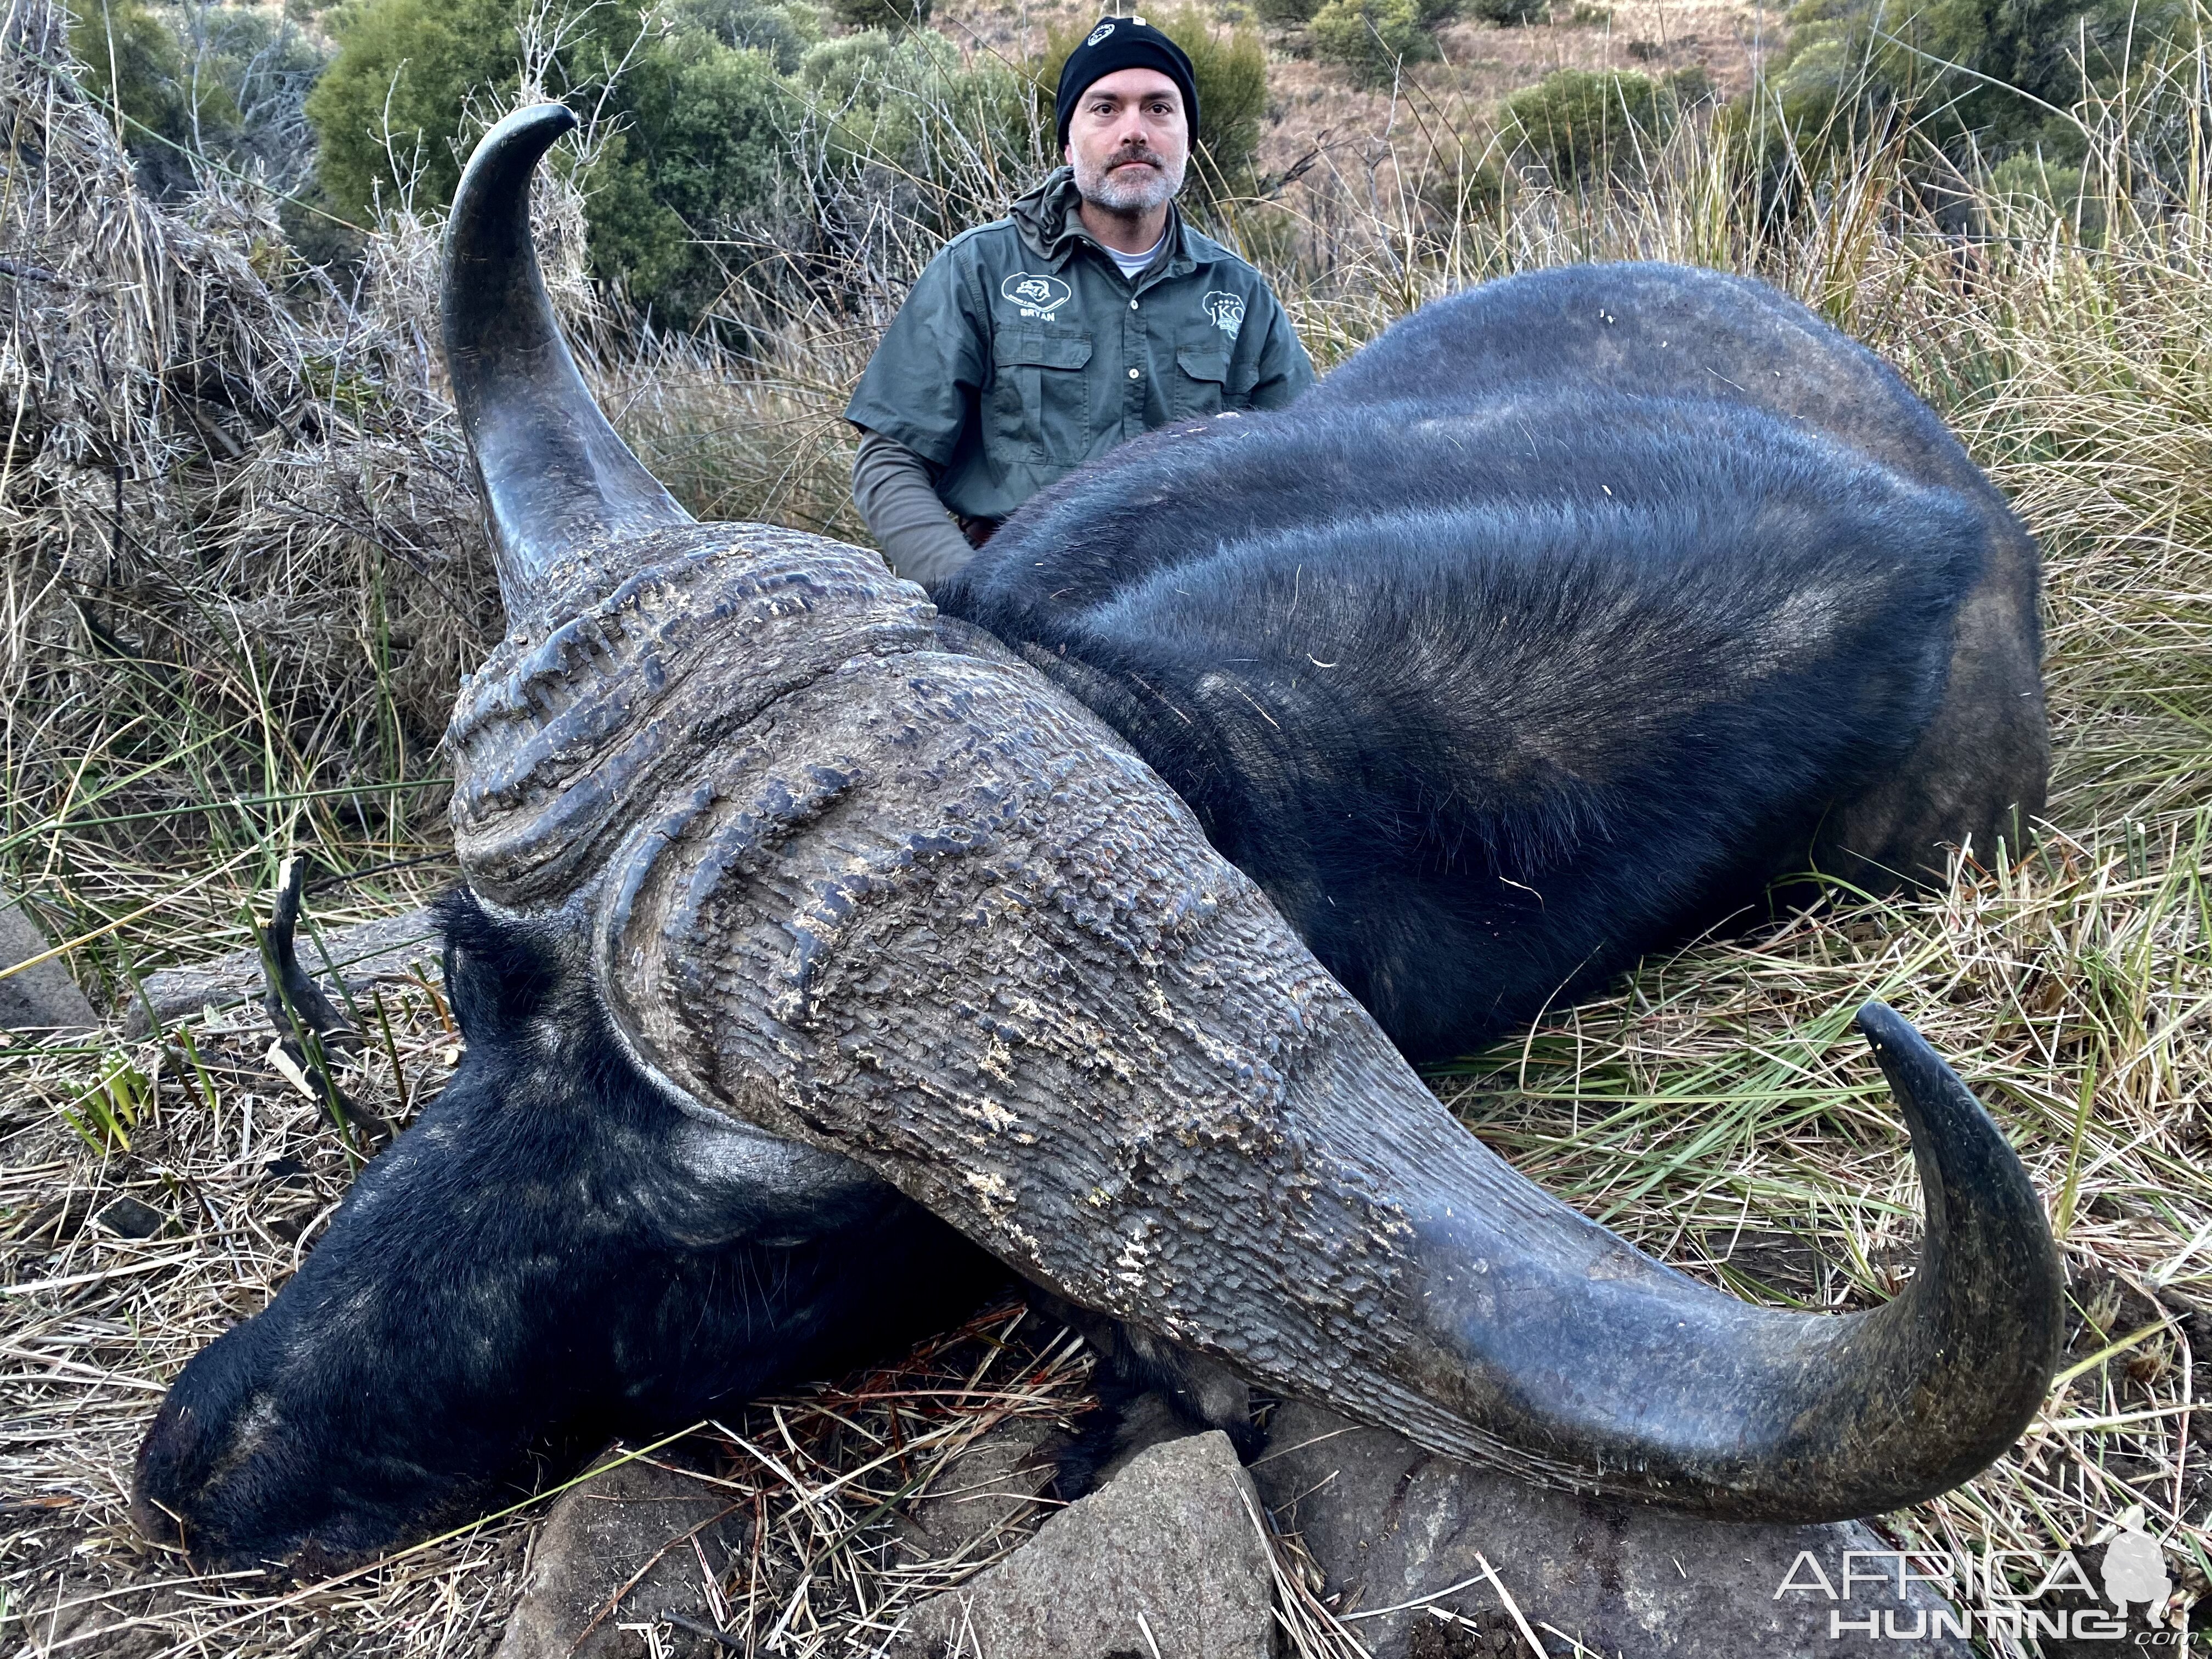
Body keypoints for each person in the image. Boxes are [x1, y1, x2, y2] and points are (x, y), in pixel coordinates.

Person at [844, 14, 1315, 585]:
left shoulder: (1240, 295)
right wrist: (970, 597)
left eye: (1159, 108)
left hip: (1193, 605)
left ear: (1189, 138)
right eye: (1106, 108)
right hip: (1020, 596)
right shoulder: (979, 269)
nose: (1134, 131)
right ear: (1069, 143)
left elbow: (1303, 472)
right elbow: (889, 461)